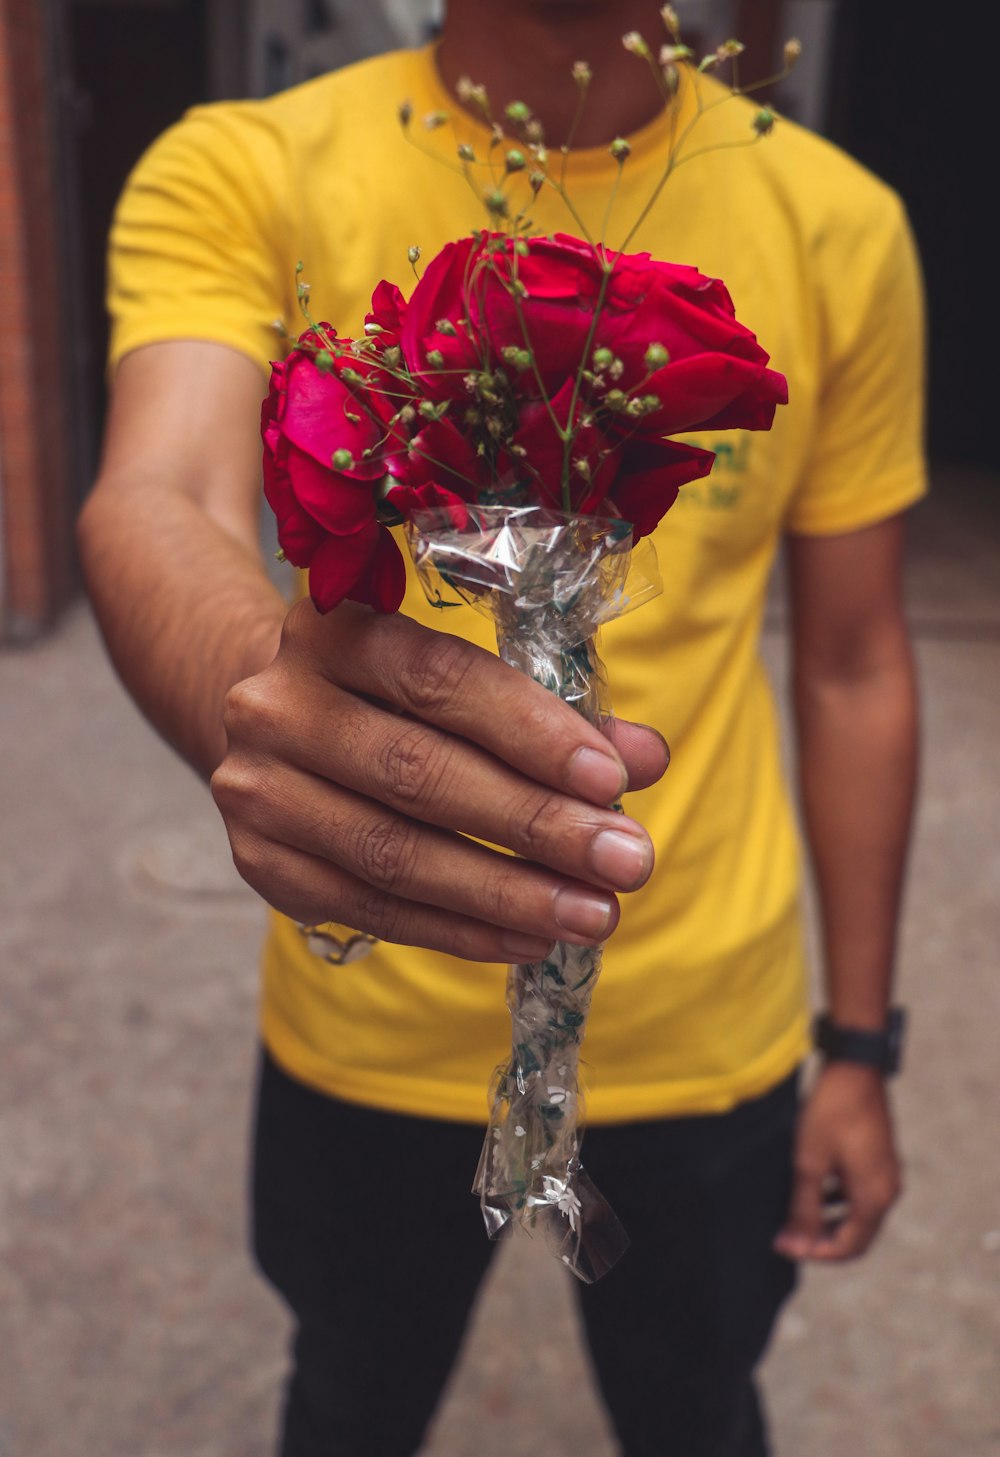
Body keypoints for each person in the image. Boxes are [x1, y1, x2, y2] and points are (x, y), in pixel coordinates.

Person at [77, 2, 925, 1453]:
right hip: (371, 1024)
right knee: (348, 1400)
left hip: (707, 1023)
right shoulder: (249, 162)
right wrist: (249, 678)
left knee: (701, 1411)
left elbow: (852, 663)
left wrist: (858, 1044)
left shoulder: (835, 217)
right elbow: (162, 496)